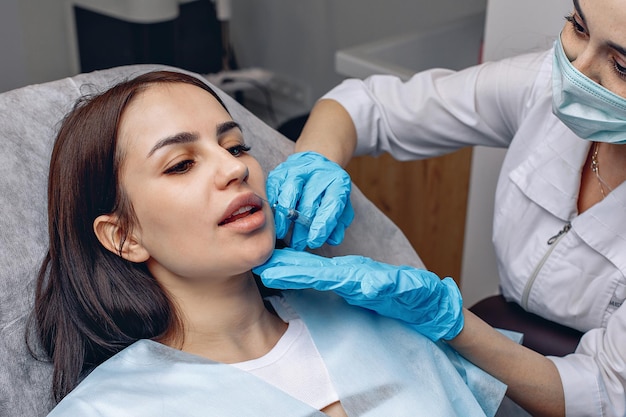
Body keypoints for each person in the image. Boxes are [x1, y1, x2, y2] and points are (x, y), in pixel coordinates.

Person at [32, 70, 506, 417]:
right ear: (124, 236)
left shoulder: (382, 320)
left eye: (236, 146)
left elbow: (566, 396)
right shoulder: (107, 409)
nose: (234, 168)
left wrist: (453, 323)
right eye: (181, 164)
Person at [256, 0, 626, 416]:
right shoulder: (545, 82)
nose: (576, 70)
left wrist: (449, 320)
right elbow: (369, 105)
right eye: (577, 26)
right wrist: (317, 159)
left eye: (622, 67)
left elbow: (600, 395)